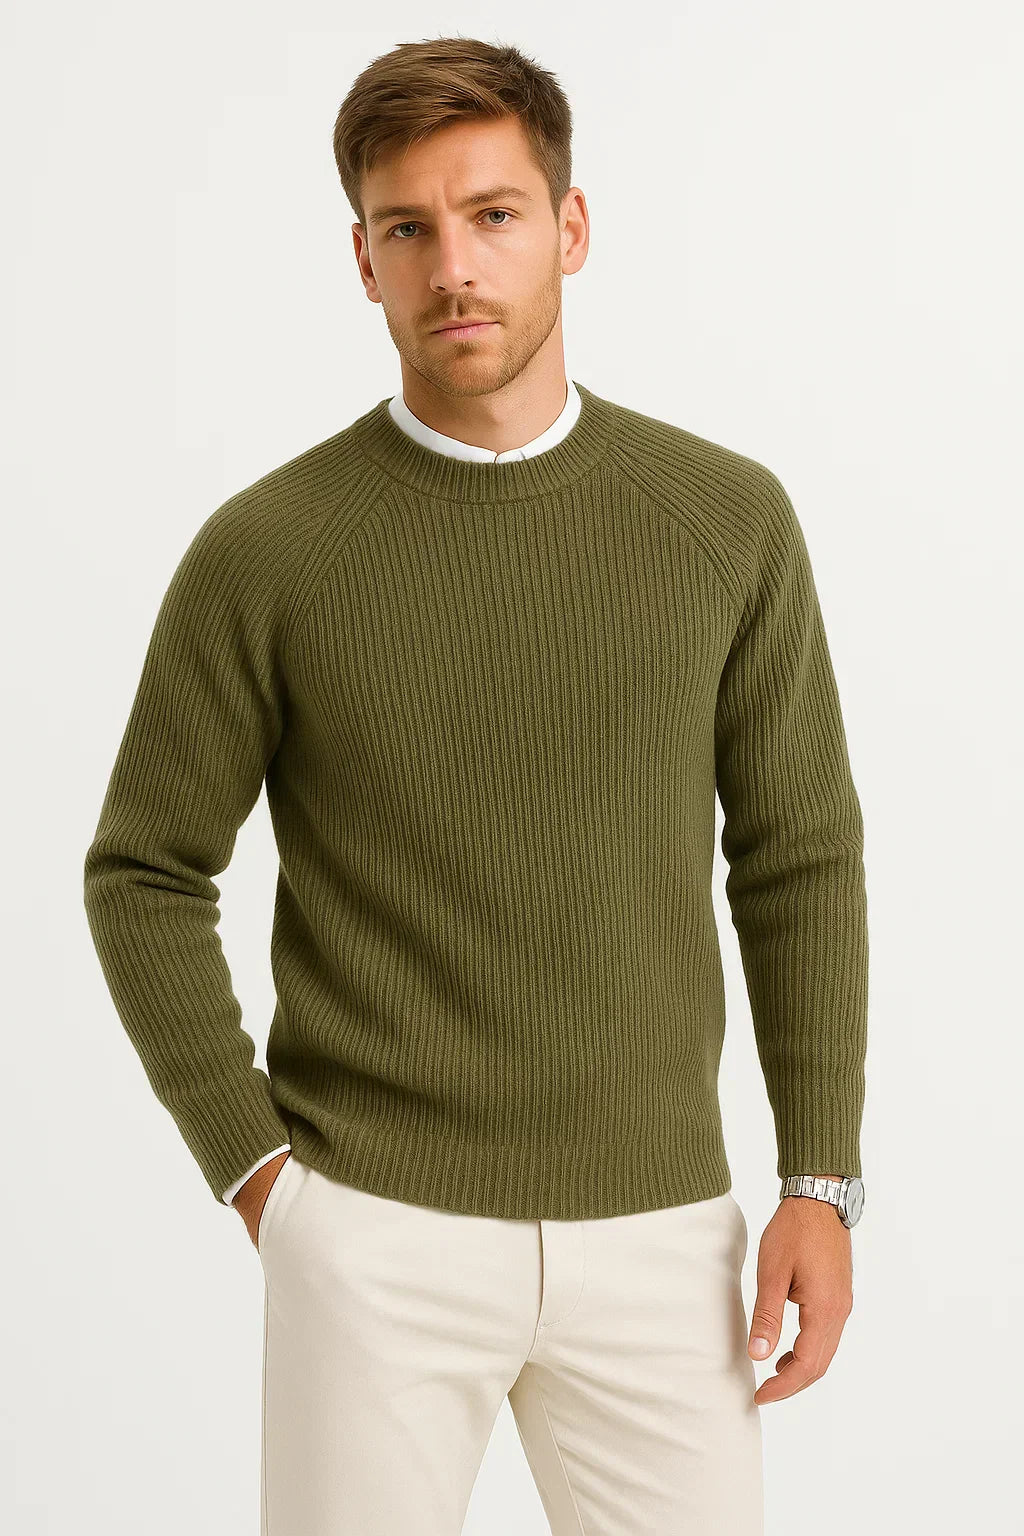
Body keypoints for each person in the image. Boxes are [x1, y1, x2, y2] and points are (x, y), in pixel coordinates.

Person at [82, 35, 868, 1536]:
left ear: (571, 227)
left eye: (494, 215)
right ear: (363, 260)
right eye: (409, 227)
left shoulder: (724, 521)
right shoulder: (268, 549)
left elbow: (799, 855)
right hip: (371, 1230)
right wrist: (261, 1179)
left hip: (662, 1235)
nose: (455, 266)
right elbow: (143, 871)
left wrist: (818, 1182)